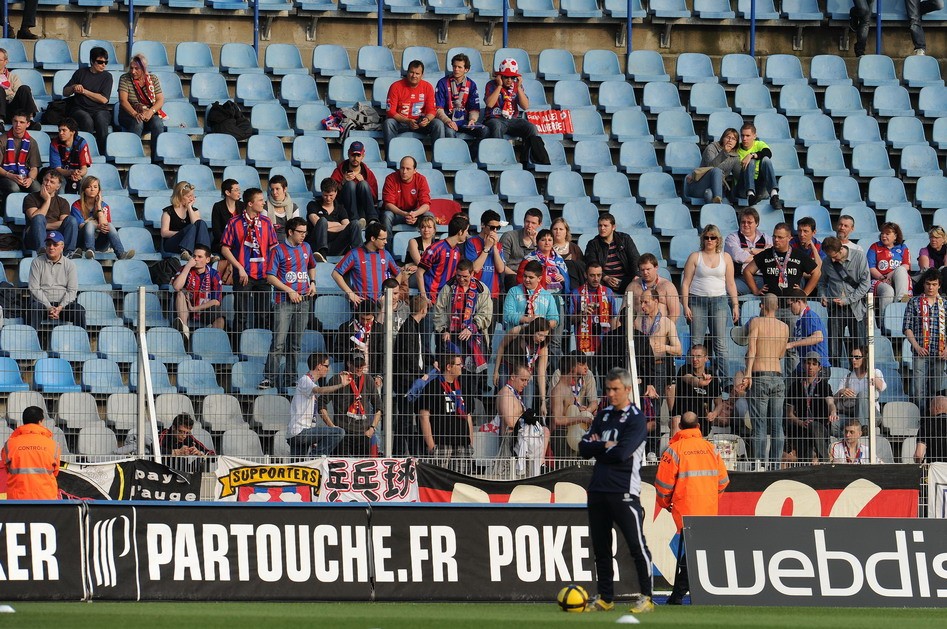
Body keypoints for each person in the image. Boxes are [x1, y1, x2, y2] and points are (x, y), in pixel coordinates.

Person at [578, 367, 654, 615]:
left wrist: (599, 447)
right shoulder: (603, 415)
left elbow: (622, 453)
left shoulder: (636, 419)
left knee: (636, 545)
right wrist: (605, 445)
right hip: (598, 488)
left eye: (616, 389)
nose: (610, 394)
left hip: (624, 490)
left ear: (628, 389)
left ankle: (647, 597)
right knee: (601, 548)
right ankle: (605, 598)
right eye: (608, 389)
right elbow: (582, 447)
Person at [654, 411, 729, 606]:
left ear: (680, 428)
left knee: (690, 553)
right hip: (708, 509)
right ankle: (679, 594)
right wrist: (711, 498)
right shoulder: (711, 448)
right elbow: (723, 481)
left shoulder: (674, 450)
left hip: (685, 510)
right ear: (698, 427)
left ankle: (678, 595)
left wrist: (665, 503)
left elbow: (663, 485)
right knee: (695, 552)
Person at [261, 216, 317, 391]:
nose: (303, 235)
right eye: (300, 232)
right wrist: (289, 290)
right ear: (290, 232)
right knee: (278, 342)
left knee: (296, 343)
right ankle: (269, 378)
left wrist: (313, 282)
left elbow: (312, 265)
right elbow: (270, 276)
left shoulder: (307, 247)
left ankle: (291, 379)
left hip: (303, 301)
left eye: (305, 232)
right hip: (283, 302)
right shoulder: (278, 250)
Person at [681, 225, 739, 381]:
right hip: (697, 300)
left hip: (719, 301)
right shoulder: (695, 256)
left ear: (718, 239)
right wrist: (685, 305)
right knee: (696, 343)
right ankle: (692, 379)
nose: (709, 240)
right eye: (706, 237)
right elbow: (685, 283)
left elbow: (731, 283)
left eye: (713, 237)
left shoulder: (725, 257)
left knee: (720, 343)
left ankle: (726, 381)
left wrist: (735, 305)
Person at [221, 187, 279, 333]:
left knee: (264, 315)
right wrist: (239, 268)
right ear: (250, 203)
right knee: (241, 315)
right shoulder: (234, 222)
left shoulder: (266, 222)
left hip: (264, 274)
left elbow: (274, 247)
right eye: (260, 200)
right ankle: (238, 347)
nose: (264, 203)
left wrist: (272, 270)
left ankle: (261, 345)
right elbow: (224, 249)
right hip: (243, 274)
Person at [634, 287, 682, 456]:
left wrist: (665, 347)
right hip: (641, 368)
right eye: (641, 302)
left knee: (654, 409)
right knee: (640, 408)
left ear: (656, 301)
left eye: (646, 302)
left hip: (659, 367)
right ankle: (639, 447)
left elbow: (679, 349)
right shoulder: (637, 320)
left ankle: (652, 450)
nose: (643, 305)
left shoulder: (667, 322)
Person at [744, 293, 789, 468]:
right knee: (777, 424)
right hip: (777, 376)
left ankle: (760, 465)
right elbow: (781, 354)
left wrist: (747, 373)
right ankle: (775, 466)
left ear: (762, 306)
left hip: (759, 375)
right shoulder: (784, 327)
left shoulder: (756, 322)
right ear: (777, 307)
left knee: (759, 425)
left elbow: (752, 350)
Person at [482, 58, 549, 166]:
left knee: (531, 127)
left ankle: (527, 160)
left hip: (512, 119)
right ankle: (499, 159)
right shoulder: (491, 84)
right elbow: (489, 104)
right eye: (506, 77)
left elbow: (525, 106)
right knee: (496, 126)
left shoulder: (517, 86)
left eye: (512, 77)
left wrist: (518, 87)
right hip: (495, 118)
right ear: (500, 76)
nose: (509, 80)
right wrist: (499, 86)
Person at [433, 259, 493, 378]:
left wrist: (471, 327)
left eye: (465, 276)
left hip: (475, 336)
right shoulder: (448, 287)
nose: (461, 279)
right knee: (455, 372)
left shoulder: (482, 289)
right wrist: (444, 329)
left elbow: (486, 314)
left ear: (472, 274)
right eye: (459, 276)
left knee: (473, 375)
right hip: (453, 336)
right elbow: (439, 310)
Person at [333, 221, 416, 304]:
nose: (386, 242)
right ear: (373, 238)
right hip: (363, 305)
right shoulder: (354, 254)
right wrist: (351, 294)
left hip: (382, 304)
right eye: (383, 239)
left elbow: (398, 274)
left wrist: (391, 292)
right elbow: (336, 274)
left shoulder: (386, 254)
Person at [820, 236, 871, 365]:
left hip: (856, 307)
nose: (832, 260)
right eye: (829, 256)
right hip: (835, 308)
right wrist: (823, 296)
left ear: (841, 250)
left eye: (834, 256)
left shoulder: (859, 257)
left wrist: (848, 300)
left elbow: (865, 284)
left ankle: (859, 373)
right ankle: (834, 372)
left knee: (859, 346)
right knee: (833, 347)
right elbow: (822, 283)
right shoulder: (827, 261)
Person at [743, 222, 820, 306]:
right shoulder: (765, 254)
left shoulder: (799, 255)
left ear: (789, 238)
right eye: (774, 236)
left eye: (780, 237)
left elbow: (817, 272)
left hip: (792, 305)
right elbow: (747, 271)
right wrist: (755, 290)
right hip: (770, 306)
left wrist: (805, 293)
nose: (776, 240)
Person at [287, 353, 349, 457]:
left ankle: (313, 459)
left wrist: (316, 439)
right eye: (326, 366)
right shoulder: (305, 380)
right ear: (319, 366)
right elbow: (319, 390)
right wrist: (340, 385)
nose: (328, 369)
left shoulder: (308, 381)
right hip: (300, 431)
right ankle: (315, 457)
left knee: (299, 465)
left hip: (298, 432)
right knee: (338, 432)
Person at [904, 269, 947, 412]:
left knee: (936, 390)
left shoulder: (945, 304)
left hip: (939, 353)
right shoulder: (914, 302)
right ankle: (920, 419)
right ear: (923, 284)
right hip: (920, 353)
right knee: (918, 390)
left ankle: (933, 419)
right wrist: (917, 347)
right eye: (928, 284)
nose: (931, 287)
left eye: (934, 284)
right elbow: (907, 327)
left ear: (939, 285)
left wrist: (946, 349)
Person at [417, 353, 474, 462]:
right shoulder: (433, 387)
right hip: (441, 444)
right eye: (458, 364)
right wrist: (432, 446)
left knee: (462, 474)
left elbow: (468, 416)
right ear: (448, 367)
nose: (461, 366)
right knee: (439, 474)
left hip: (463, 444)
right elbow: (424, 417)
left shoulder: (463, 387)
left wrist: (470, 442)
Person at [493, 363, 546, 477]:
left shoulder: (514, 394)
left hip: (519, 441)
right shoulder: (506, 394)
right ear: (513, 377)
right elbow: (510, 422)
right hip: (510, 443)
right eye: (523, 380)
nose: (525, 384)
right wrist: (525, 417)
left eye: (527, 381)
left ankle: (539, 464)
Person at [785, 352, 838, 464]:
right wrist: (800, 423)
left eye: (814, 364)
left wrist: (833, 412)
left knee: (813, 426)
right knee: (804, 446)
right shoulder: (795, 386)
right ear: (803, 365)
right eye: (808, 363)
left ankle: (824, 461)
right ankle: (807, 464)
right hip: (800, 427)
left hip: (820, 427)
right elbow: (789, 414)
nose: (810, 367)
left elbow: (830, 403)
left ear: (819, 367)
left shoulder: (824, 385)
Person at [26, 229, 85, 329]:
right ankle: (30, 337)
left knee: (79, 310)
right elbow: (34, 288)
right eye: (48, 244)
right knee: (34, 308)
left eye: (55, 244)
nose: (51, 247)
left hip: (63, 306)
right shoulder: (37, 262)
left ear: (62, 247)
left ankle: (82, 337)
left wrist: (60, 307)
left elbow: (72, 290)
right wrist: (49, 307)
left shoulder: (70, 265)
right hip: (43, 304)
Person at [326, 354, 382, 457]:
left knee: (363, 466)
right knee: (340, 465)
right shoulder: (337, 379)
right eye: (356, 365)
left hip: (364, 433)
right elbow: (321, 403)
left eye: (362, 365)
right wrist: (332, 427)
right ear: (349, 364)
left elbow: (379, 407)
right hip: (343, 433)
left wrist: (372, 428)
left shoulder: (368, 380)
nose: (359, 368)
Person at [494, 317, 551, 416]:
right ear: (533, 330)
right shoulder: (517, 331)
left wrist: (543, 401)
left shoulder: (543, 347)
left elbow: (541, 374)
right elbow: (501, 346)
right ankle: (501, 420)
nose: (542, 339)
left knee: (528, 403)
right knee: (504, 397)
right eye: (540, 335)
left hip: (526, 373)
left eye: (545, 336)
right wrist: (496, 371)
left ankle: (523, 423)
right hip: (508, 366)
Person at [384, 59, 445, 151]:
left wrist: (427, 119)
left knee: (438, 124)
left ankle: (439, 157)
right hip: (401, 122)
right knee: (388, 123)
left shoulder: (427, 87)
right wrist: (407, 121)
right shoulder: (396, 86)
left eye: (417, 73)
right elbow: (390, 111)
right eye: (411, 72)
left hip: (420, 123)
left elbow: (432, 110)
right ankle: (390, 155)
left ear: (422, 75)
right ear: (407, 72)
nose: (414, 76)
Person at [669, 343, 729, 437]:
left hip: (702, 423)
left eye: (698, 356)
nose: (694, 359)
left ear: (706, 358)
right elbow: (689, 378)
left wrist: (714, 413)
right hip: (682, 422)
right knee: (676, 421)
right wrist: (700, 382)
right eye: (692, 356)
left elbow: (719, 403)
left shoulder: (712, 377)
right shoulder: (684, 369)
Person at [0, 406, 59, 499]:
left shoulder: (9, 445)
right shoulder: (53, 445)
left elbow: (6, 468)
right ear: (40, 421)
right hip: (46, 498)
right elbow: (55, 471)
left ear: (24, 421)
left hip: (17, 499)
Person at [71, 175, 134, 260]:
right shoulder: (76, 205)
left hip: (100, 243)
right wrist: (97, 226)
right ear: (84, 190)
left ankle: (121, 254)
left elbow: (105, 225)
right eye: (89, 187)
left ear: (99, 190)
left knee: (109, 225)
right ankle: (90, 251)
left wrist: (99, 207)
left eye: (95, 187)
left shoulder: (104, 206)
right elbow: (80, 225)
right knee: (89, 224)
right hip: (83, 242)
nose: (92, 189)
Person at [549, 352, 599, 459]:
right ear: (571, 371)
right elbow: (557, 420)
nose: (578, 378)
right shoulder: (558, 391)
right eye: (576, 374)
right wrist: (580, 418)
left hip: (571, 434)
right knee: (565, 467)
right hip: (561, 436)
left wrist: (578, 409)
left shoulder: (567, 388)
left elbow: (568, 410)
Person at [63, 47, 113, 152]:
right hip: (80, 108)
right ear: (92, 61)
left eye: (106, 62)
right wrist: (74, 87)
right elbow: (65, 92)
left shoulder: (107, 76)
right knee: (86, 120)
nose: (103, 65)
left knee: (101, 120)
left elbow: (104, 99)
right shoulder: (80, 73)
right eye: (100, 62)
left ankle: (102, 152)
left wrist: (84, 91)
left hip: (100, 109)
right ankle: (86, 151)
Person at [172, 243, 225, 338]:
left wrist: (194, 308)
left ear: (207, 260)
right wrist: (188, 266)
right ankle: (185, 331)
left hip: (204, 310)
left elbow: (216, 301)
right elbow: (176, 286)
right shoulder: (185, 268)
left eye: (199, 257)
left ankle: (212, 342)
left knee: (220, 319)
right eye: (194, 256)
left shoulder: (214, 274)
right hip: (185, 308)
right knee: (180, 294)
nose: (195, 259)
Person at [569, 262, 618, 361]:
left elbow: (613, 318)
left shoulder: (608, 292)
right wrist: (582, 314)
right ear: (585, 275)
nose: (596, 279)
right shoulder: (576, 293)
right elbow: (570, 319)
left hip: (604, 342)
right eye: (592, 275)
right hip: (584, 343)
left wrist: (614, 340)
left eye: (599, 275)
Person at [117, 53, 165, 154]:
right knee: (138, 122)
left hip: (148, 113)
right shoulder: (125, 78)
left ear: (143, 68)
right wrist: (135, 114)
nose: (133, 71)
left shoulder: (153, 79)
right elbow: (123, 100)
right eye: (131, 68)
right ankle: (133, 154)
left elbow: (160, 99)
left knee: (158, 123)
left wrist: (150, 112)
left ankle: (156, 157)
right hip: (129, 114)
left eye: (137, 68)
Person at [24, 168, 78, 256]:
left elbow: (64, 223)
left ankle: (69, 253)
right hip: (34, 237)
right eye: (46, 180)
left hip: (56, 237)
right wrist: (47, 200)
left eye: (52, 182)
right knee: (39, 218)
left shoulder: (63, 202)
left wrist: (43, 225)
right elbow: (34, 219)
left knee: (71, 220)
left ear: (58, 186)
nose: (47, 184)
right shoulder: (30, 197)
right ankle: (42, 252)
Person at [417, 214, 470, 305]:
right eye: (466, 231)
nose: (467, 234)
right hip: (431, 299)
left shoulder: (457, 251)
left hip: (447, 300)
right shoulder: (435, 248)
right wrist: (423, 296)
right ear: (460, 232)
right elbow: (419, 272)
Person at [306, 177, 362, 262]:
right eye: (325, 195)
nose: (328, 198)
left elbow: (347, 226)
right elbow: (317, 223)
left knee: (355, 224)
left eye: (331, 195)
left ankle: (359, 256)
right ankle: (322, 252)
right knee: (322, 221)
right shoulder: (313, 205)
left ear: (336, 193)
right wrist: (338, 224)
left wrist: (327, 227)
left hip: (336, 245)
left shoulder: (340, 208)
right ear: (322, 192)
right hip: (316, 244)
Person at [834, 344, 886, 436]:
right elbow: (834, 399)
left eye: (857, 357)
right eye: (852, 357)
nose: (853, 360)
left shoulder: (875, 372)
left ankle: (861, 429)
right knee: (834, 423)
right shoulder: (847, 377)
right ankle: (849, 438)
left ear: (865, 358)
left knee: (862, 395)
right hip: (851, 413)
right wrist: (841, 391)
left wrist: (870, 371)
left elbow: (881, 387)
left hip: (871, 414)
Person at [584, 212, 640, 294]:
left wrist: (636, 276)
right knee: (593, 281)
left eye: (605, 225)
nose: (602, 228)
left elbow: (634, 259)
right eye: (600, 225)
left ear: (613, 227)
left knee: (638, 284)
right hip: (603, 280)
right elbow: (591, 263)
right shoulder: (593, 244)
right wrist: (606, 278)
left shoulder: (625, 239)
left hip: (625, 279)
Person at [434, 53, 486, 141]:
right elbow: (439, 108)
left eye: (459, 67)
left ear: (466, 69)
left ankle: (471, 150)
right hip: (448, 121)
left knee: (485, 130)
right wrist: (447, 121)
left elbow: (474, 108)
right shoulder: (442, 83)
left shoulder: (471, 84)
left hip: (465, 122)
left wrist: (472, 120)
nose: (456, 69)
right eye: (454, 66)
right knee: (450, 132)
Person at [683, 127, 741, 204]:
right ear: (723, 138)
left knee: (709, 194)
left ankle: (717, 200)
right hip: (699, 185)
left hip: (716, 188)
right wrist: (724, 152)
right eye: (728, 137)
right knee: (716, 170)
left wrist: (750, 157)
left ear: (736, 143)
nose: (730, 140)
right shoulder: (711, 148)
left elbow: (739, 176)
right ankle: (718, 198)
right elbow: (710, 166)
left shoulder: (735, 157)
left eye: (733, 139)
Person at [503, 260, 560, 337]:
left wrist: (540, 324)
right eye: (525, 276)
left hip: (539, 339)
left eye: (531, 277)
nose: (527, 280)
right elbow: (507, 315)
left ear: (539, 278)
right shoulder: (513, 291)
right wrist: (528, 319)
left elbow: (555, 320)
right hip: (515, 338)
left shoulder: (548, 296)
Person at [382, 156, 433, 240]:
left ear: (414, 170)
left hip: (415, 214)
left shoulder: (421, 179)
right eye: (402, 168)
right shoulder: (391, 179)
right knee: (387, 215)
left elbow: (426, 205)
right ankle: (386, 246)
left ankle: (431, 247)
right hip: (397, 213)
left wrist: (414, 214)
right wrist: (404, 214)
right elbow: (388, 204)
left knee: (429, 216)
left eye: (408, 169)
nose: (404, 171)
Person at [330, 140, 379, 227]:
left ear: (363, 156)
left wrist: (364, 183)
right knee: (350, 184)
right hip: (345, 208)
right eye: (353, 155)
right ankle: (355, 220)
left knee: (363, 184)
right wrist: (343, 182)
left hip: (362, 207)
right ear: (348, 154)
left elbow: (374, 198)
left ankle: (372, 220)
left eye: (358, 155)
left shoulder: (368, 173)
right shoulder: (339, 171)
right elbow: (331, 194)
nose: (355, 158)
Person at [868, 221, 912, 318]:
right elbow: (871, 267)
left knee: (901, 270)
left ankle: (900, 303)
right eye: (882, 233)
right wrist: (882, 278)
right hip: (879, 280)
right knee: (888, 291)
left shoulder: (903, 248)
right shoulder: (875, 247)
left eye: (887, 234)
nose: (884, 236)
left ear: (895, 236)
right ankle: (885, 321)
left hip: (897, 278)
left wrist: (891, 274)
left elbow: (906, 266)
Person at [725, 208, 772, 295]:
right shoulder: (731, 238)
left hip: (762, 278)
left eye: (749, 222)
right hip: (740, 278)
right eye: (743, 222)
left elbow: (771, 255)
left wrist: (750, 250)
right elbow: (738, 256)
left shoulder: (767, 238)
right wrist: (763, 253)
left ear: (757, 223)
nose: (746, 225)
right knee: (727, 290)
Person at [161, 181, 212, 259]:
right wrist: (183, 233)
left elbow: (198, 225)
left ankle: (205, 253)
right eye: (189, 196)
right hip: (173, 243)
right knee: (190, 227)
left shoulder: (194, 211)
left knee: (201, 223)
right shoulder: (168, 211)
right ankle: (185, 252)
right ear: (180, 196)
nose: (192, 198)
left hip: (192, 243)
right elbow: (164, 233)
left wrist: (189, 208)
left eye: (193, 195)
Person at [735, 122, 781, 209]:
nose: (744, 139)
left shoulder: (759, 144)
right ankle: (750, 195)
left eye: (748, 136)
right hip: (743, 188)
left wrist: (751, 155)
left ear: (754, 136)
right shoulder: (736, 149)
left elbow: (768, 153)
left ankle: (774, 195)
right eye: (742, 135)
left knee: (766, 160)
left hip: (760, 188)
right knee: (751, 162)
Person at [465, 209, 507, 301]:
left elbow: (501, 269)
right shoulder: (471, 242)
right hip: (474, 292)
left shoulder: (498, 245)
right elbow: (475, 268)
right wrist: (487, 248)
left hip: (493, 293)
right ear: (483, 225)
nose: (495, 231)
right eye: (492, 227)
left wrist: (494, 246)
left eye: (497, 228)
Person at [0, 111, 41, 203]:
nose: (18, 125)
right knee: (14, 188)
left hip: (24, 176)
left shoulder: (32, 142)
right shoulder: (2, 139)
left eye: (22, 122)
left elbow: (34, 167)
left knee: (37, 188)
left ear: (28, 124)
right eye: (15, 121)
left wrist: (30, 179)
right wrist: (10, 175)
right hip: (5, 176)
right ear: (12, 122)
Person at [786, 288, 830, 372]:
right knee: (790, 379)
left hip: (818, 367)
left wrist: (792, 344)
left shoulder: (810, 316)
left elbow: (818, 337)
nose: (789, 308)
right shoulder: (801, 319)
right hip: (806, 365)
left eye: (790, 305)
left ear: (799, 302)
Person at [499, 206, 542, 289]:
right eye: (527, 222)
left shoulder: (540, 241)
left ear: (539, 224)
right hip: (511, 275)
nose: (529, 225)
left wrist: (535, 243)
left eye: (533, 223)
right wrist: (519, 277)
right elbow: (501, 264)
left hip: (532, 277)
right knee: (513, 279)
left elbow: (542, 263)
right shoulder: (509, 236)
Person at [49, 118, 91, 195]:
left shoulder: (81, 143)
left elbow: (84, 168)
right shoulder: (54, 143)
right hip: (61, 174)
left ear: (72, 132)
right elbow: (57, 169)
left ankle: (82, 202)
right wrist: (71, 172)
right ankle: (60, 201)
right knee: (59, 182)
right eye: (59, 130)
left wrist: (78, 174)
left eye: (64, 130)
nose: (61, 133)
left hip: (76, 174)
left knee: (87, 183)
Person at [0, 48, 38, 125]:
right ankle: (0, 121)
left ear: (6, 62)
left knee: (25, 89)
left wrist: (7, 94)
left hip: (11, 108)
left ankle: (29, 120)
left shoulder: (13, 77)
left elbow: (20, 94)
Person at [211, 179, 244, 255]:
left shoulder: (242, 206)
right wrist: (229, 241)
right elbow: (216, 231)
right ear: (227, 192)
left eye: (239, 190)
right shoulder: (218, 207)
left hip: (240, 242)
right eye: (236, 190)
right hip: (223, 242)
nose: (239, 192)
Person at [551, 216, 585, 288]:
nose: (558, 231)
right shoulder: (547, 247)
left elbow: (581, 268)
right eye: (555, 229)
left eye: (561, 229)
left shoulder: (574, 248)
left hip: (573, 284)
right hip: (553, 283)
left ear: (566, 231)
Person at [266, 174, 301, 238]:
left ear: (285, 189)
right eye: (272, 189)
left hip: (289, 240)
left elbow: (296, 228)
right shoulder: (265, 206)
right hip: (270, 239)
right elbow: (264, 228)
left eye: (277, 189)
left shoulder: (293, 207)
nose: (274, 192)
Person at [914, 395, 947, 463]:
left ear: (936, 408)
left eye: (930, 407)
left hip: (935, 467)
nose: (929, 409)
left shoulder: (926, 425)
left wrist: (918, 463)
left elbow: (918, 455)